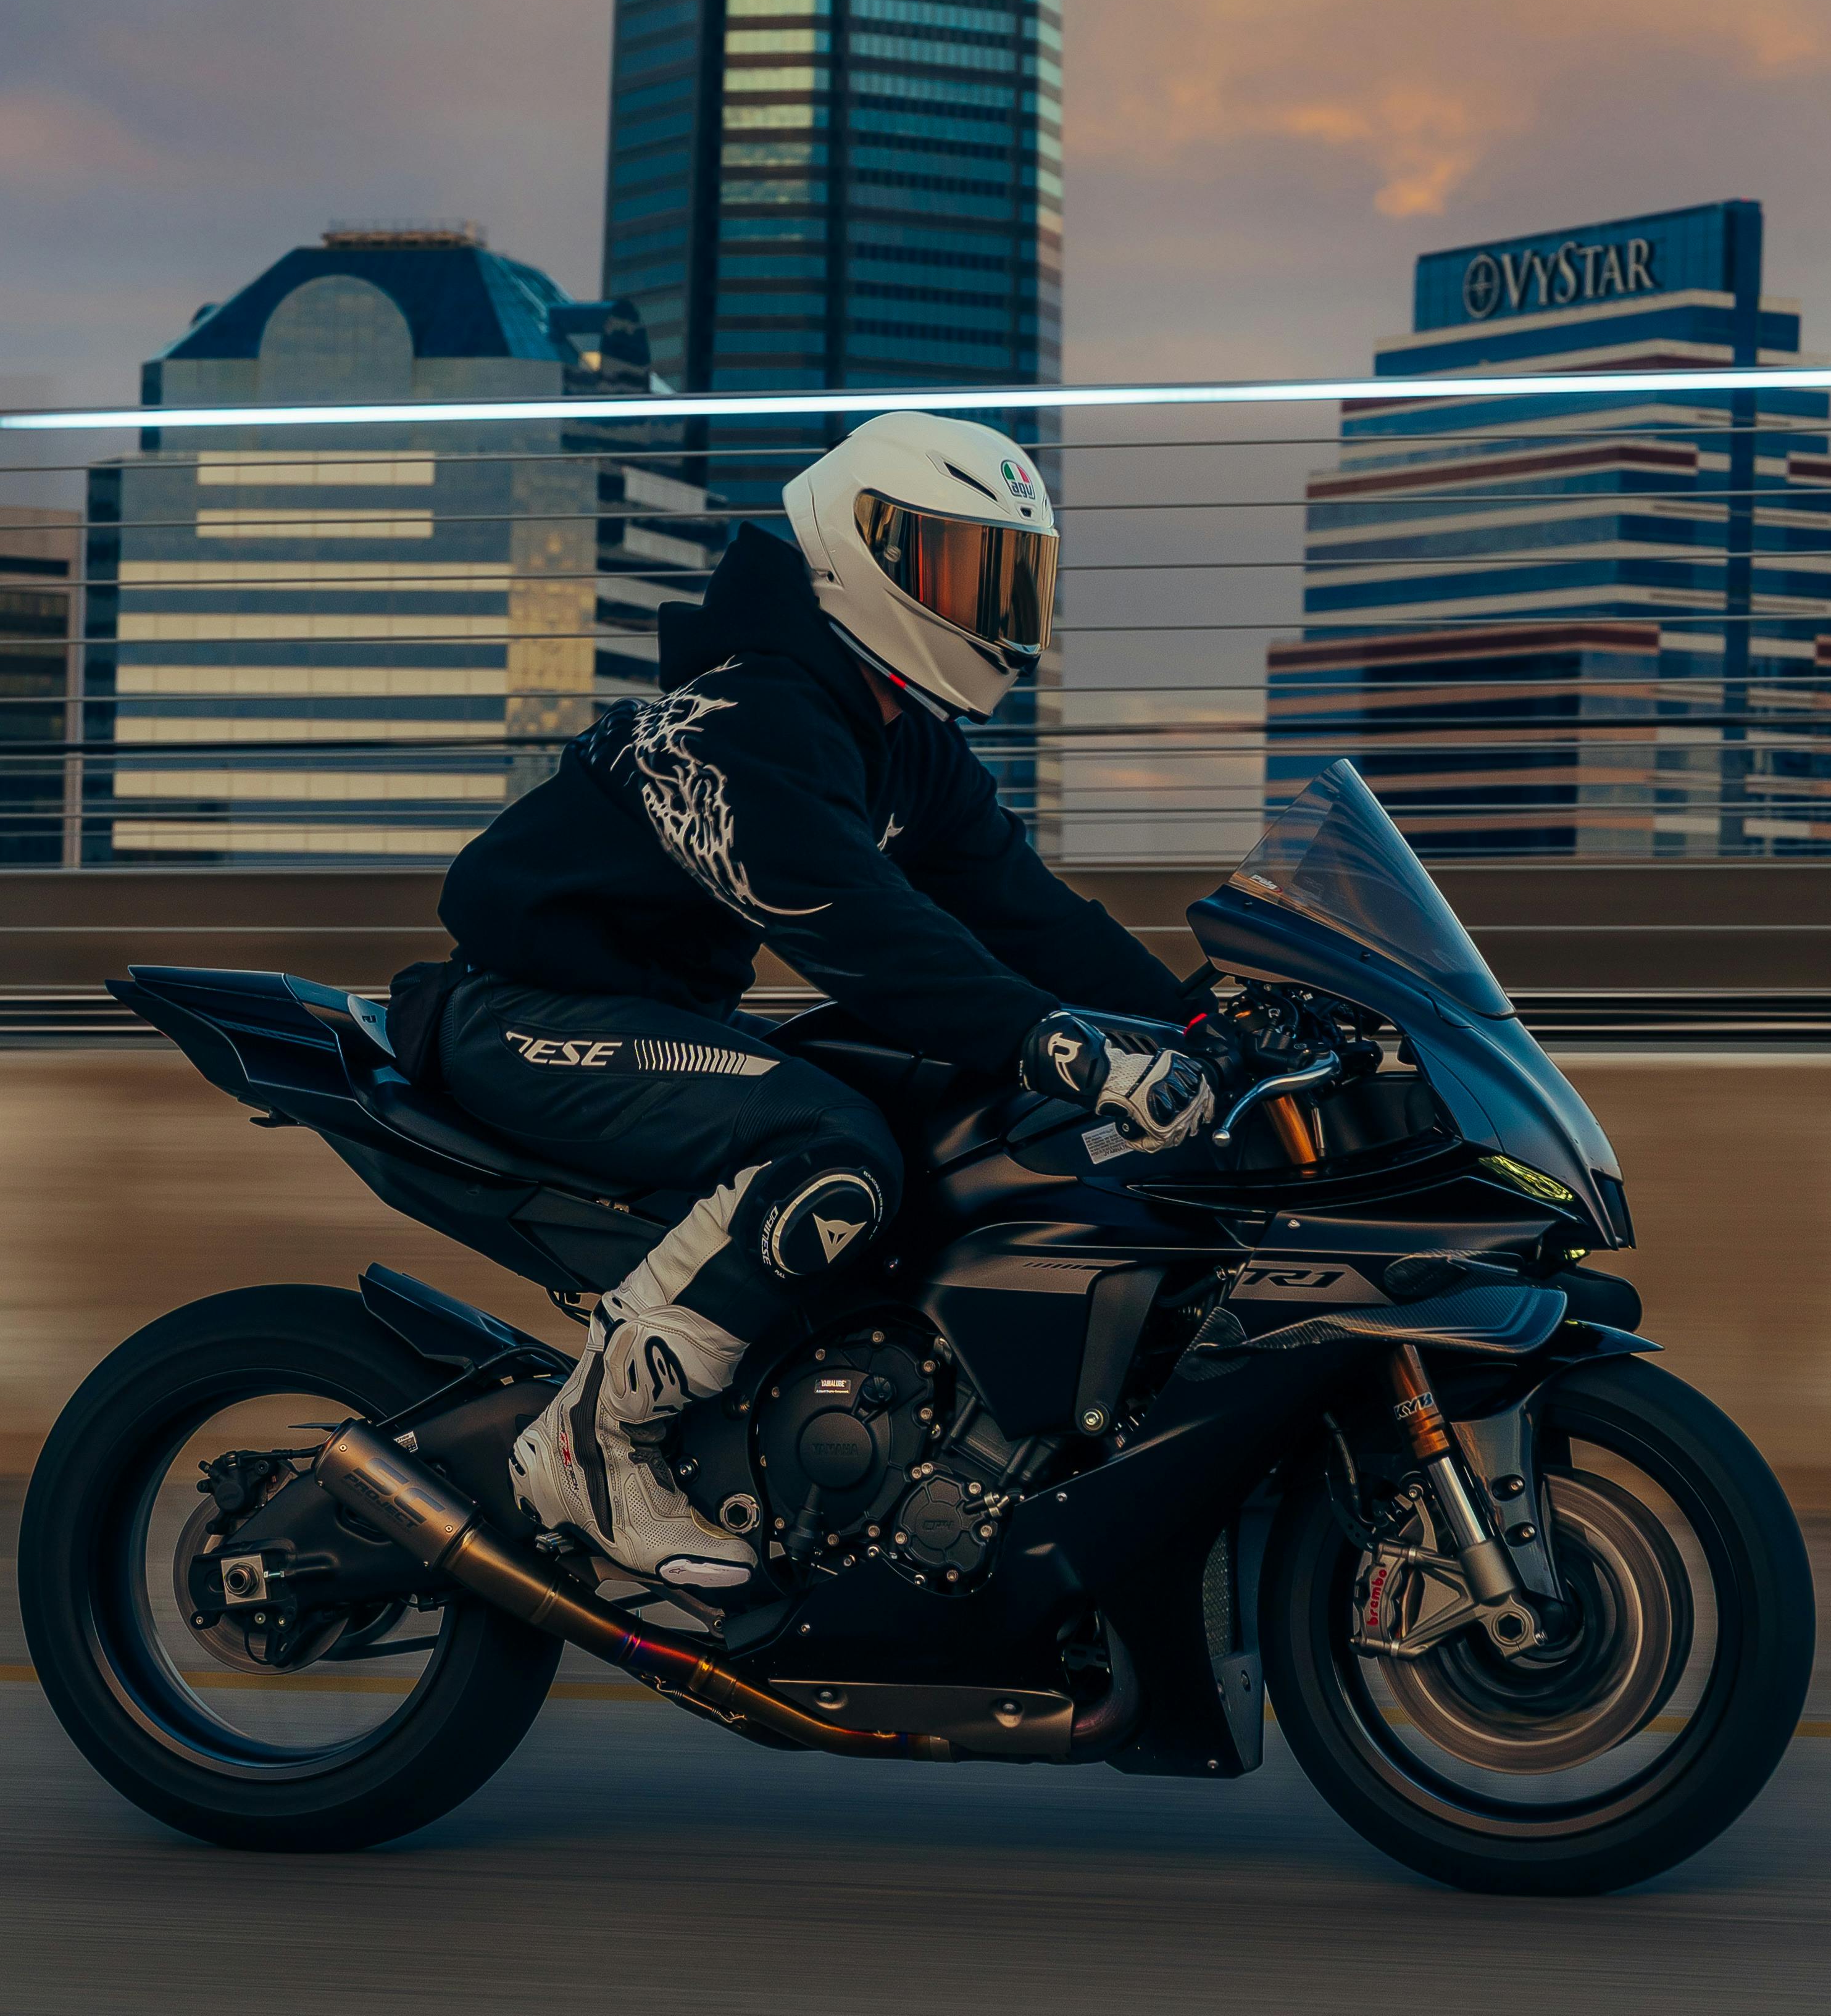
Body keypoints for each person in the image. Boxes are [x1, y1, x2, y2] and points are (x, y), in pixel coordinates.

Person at [386, 412, 1216, 1596]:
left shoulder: (904, 742)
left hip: (658, 1026)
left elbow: (1033, 917)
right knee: (832, 1146)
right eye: (954, 566)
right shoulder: (751, 714)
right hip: (522, 1016)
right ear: (856, 549)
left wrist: (1203, 1026)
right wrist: (1068, 1049)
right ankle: (594, 1441)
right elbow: (865, 929)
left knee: (938, 1122)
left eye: (1006, 575)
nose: (985, 605)